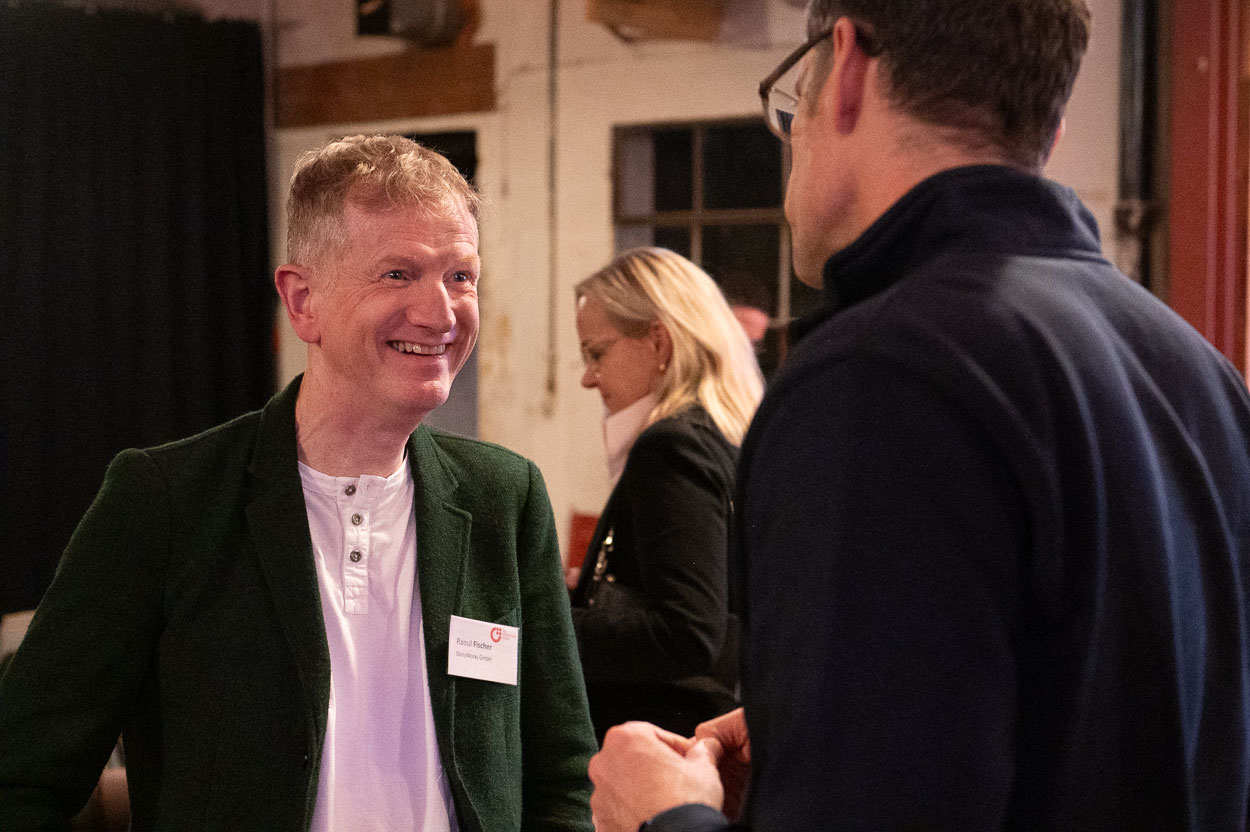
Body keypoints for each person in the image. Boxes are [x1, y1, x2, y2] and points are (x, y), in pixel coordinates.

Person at [587, 0, 1250, 830]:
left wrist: (667, 815)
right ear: (1048, 128)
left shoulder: (882, 377)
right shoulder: (1196, 371)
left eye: (793, 101)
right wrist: (817, 733)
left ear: (847, 65)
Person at [0, 134, 596, 832]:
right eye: (397, 274)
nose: (440, 314)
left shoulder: (504, 498)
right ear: (303, 300)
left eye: (460, 276)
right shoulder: (168, 501)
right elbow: (21, 776)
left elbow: (561, 777)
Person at [568, 247, 763, 743]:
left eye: (597, 353)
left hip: (665, 740)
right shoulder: (727, 437)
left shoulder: (671, 446)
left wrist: (548, 620)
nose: (588, 378)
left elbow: (687, 633)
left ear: (658, 341)